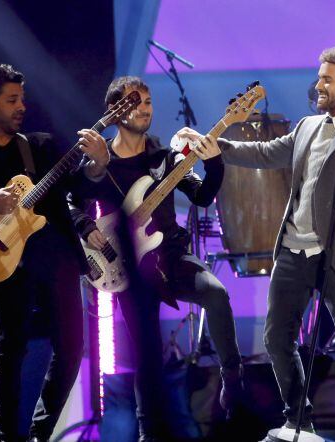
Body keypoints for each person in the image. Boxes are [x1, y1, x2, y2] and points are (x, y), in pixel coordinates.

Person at [180, 46, 335, 439]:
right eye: (319, 76)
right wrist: (218, 147)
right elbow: (265, 153)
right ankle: (298, 418)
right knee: (277, 337)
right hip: (294, 249)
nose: (318, 84)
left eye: (327, 79)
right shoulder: (306, 127)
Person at [0, 64, 109, 442]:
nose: (21, 107)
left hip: (55, 256)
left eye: (22, 99)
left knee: (72, 347)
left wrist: (98, 164)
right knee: (11, 351)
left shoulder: (41, 146)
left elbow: (77, 184)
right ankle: (10, 437)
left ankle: (39, 434)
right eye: (12, 100)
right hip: (3, 259)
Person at [68, 76, 243, 441]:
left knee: (217, 293)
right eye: (136, 103)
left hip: (173, 255)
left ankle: (232, 378)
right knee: (147, 358)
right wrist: (86, 227)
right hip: (131, 269)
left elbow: (202, 197)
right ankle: (149, 433)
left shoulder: (164, 159)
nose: (146, 109)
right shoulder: (101, 159)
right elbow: (72, 201)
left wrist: (214, 164)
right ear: (116, 111)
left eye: (148, 102)